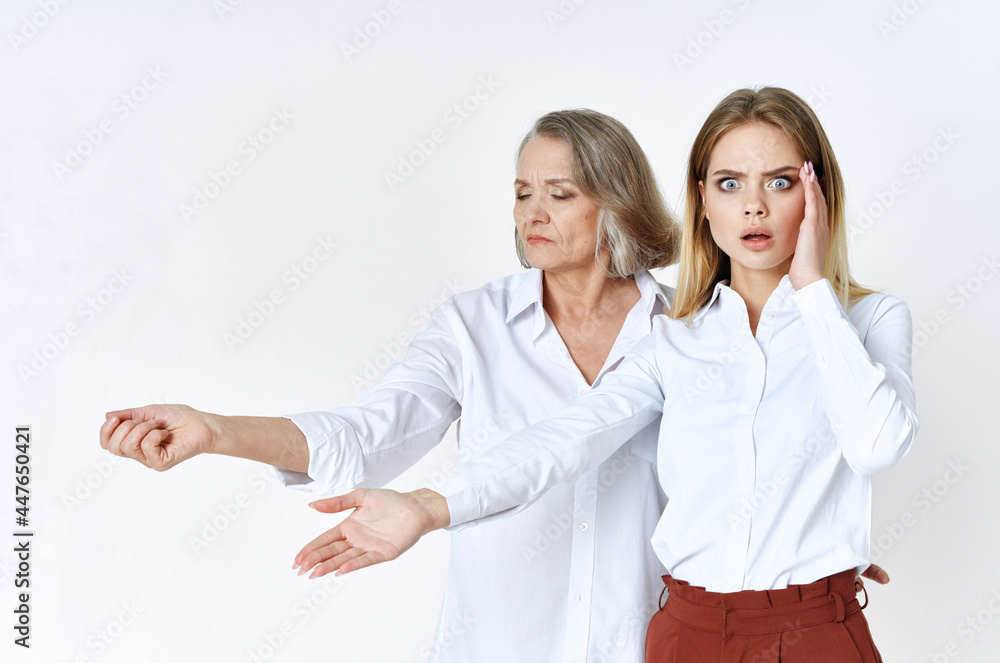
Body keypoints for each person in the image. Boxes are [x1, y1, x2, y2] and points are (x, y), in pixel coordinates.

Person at [291, 87, 916, 662]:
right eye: (729, 183)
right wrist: (429, 507)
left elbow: (876, 443)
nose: (753, 205)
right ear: (702, 200)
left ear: (818, 195)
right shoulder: (676, 338)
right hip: (686, 632)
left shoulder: (867, 320)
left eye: (781, 182)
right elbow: (565, 439)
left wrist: (811, 293)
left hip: (812, 633)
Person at [100, 109, 683, 662]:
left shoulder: (687, 331)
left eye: (559, 195)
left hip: (644, 645)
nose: (532, 213)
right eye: (521, 193)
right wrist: (216, 431)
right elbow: (366, 437)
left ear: (619, 204)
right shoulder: (472, 327)